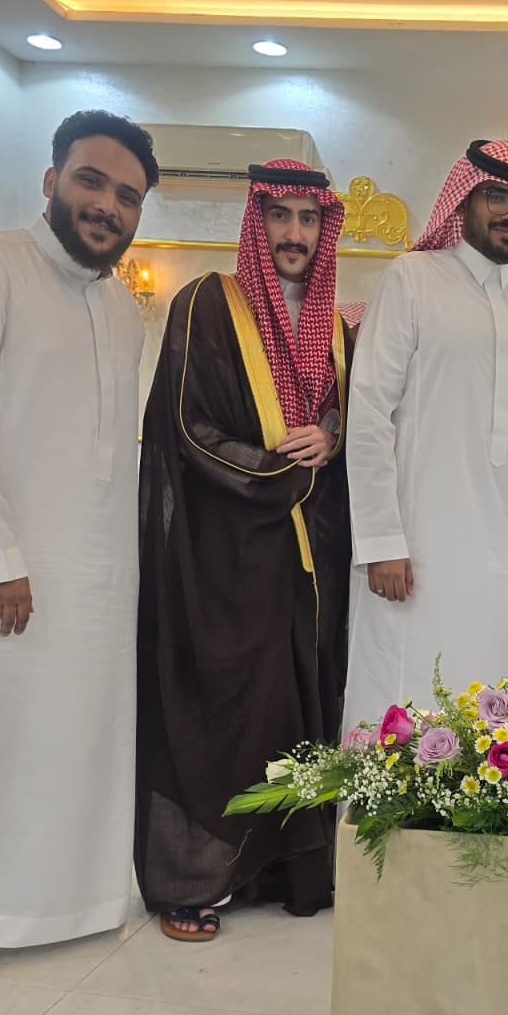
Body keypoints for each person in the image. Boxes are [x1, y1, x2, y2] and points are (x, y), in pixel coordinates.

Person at [0, 110, 158, 986]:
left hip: (86, 571)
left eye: (128, 196)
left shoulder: (121, 307)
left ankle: (65, 897)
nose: (108, 205)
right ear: (51, 180)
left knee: (65, 735)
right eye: (92, 181)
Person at [136, 162, 352, 940]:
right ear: (256, 223)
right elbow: (189, 426)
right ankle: (195, 879)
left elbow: (347, 419)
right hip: (223, 555)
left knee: (296, 709)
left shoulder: (336, 328)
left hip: (308, 561)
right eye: (280, 217)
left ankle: (285, 872)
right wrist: (282, 474)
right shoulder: (207, 302)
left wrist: (330, 436)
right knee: (224, 711)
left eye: (309, 218)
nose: (295, 233)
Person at [343, 140, 508, 725]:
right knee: (406, 712)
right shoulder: (411, 280)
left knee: (507, 722)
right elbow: (369, 413)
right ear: (464, 199)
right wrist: (381, 540)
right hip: (417, 556)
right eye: (497, 196)